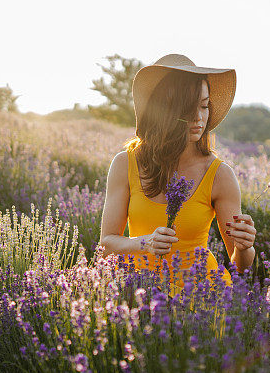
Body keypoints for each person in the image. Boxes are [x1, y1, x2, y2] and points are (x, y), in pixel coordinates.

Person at [99, 53, 257, 296]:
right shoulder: (125, 163)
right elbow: (107, 244)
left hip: (202, 301)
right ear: (165, 109)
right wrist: (144, 243)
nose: (199, 117)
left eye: (204, 106)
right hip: (140, 295)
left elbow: (239, 268)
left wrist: (246, 248)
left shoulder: (219, 175)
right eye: (188, 108)